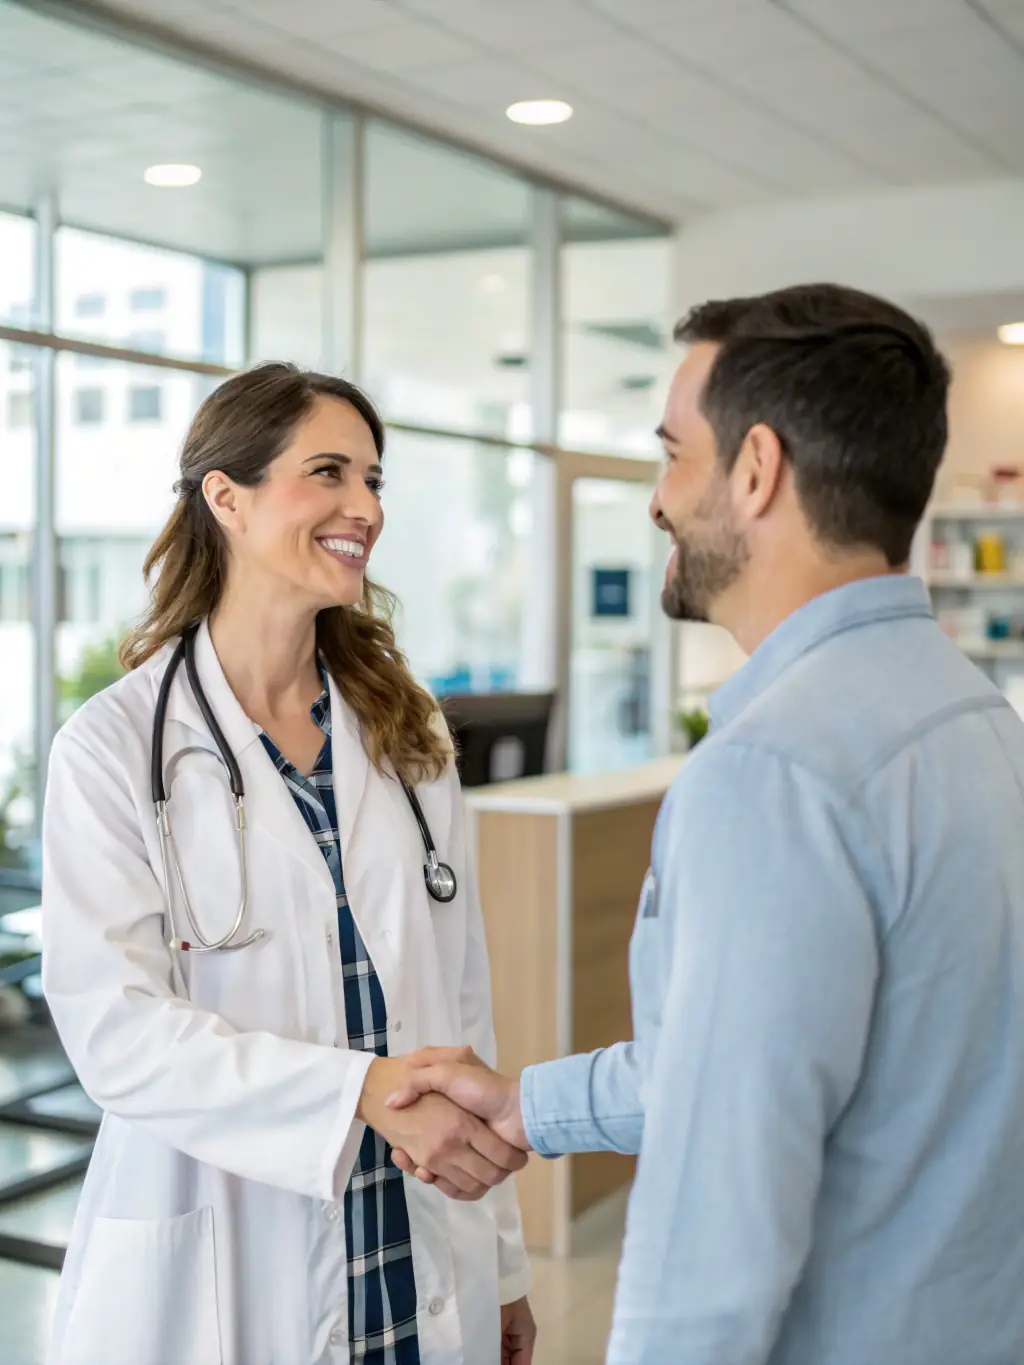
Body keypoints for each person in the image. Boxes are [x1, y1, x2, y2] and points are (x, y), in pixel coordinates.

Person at [385, 284, 1024, 1365]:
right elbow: (765, 1063)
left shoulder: (773, 775)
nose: (655, 500)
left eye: (673, 454)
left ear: (757, 469)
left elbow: (712, 1239)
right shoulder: (973, 718)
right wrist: (527, 1105)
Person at [41, 363, 535, 1365]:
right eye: (329, 473)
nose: (365, 507)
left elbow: (460, 1004)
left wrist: (508, 1265)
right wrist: (354, 1090)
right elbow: (116, 1032)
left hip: (412, 1237)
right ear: (226, 496)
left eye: (374, 480)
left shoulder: (406, 728)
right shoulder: (113, 748)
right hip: (223, 1258)